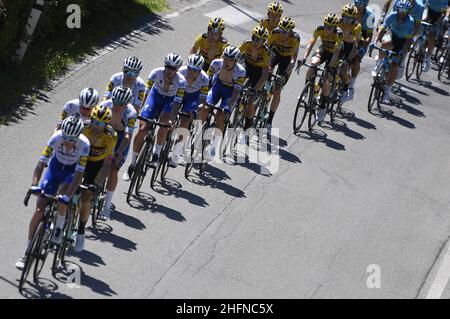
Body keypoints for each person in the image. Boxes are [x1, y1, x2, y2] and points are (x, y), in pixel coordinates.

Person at [16, 116, 89, 269]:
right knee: (39, 208)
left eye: (71, 139)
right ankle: (27, 250)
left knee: (62, 199)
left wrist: (67, 197)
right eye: (66, 138)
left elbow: (79, 176)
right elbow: (41, 164)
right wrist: (34, 185)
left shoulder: (84, 144)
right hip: (55, 169)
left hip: (71, 172)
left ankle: (58, 228)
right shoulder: (56, 137)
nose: (68, 142)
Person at [125, 53, 185, 178]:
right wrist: (140, 110)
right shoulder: (156, 73)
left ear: (177, 69)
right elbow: (146, 93)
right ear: (165, 65)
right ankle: (132, 163)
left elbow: (178, 102)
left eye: (173, 69)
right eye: (168, 67)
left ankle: (156, 154)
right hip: (155, 97)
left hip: (169, 102)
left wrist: (172, 119)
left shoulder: (181, 81)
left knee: (164, 125)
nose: (170, 70)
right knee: (142, 129)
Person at [75, 105, 117, 252]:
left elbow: (106, 165)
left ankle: (80, 231)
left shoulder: (111, 136)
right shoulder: (83, 127)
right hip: (81, 159)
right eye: (94, 121)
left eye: (100, 123)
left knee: (86, 197)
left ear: (106, 124)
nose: (96, 126)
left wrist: (96, 184)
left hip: (97, 165)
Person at [198, 46, 246, 161]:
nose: (227, 62)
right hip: (217, 87)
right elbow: (207, 82)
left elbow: (236, 92)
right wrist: (203, 99)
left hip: (230, 92)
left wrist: (229, 106)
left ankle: (215, 144)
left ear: (235, 61)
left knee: (221, 115)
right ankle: (198, 131)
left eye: (230, 60)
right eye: (225, 58)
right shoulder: (216, 63)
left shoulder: (240, 72)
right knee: (205, 108)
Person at [98, 86, 137, 220]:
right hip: (105, 134)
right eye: (115, 102)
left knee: (113, 170)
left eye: (121, 104)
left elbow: (127, 136)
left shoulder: (130, 113)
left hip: (121, 139)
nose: (117, 106)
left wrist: (119, 152)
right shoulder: (104, 106)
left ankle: (107, 206)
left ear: (127, 104)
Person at [298, 13, 343, 123]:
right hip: (324, 50)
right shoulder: (319, 29)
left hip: (335, 55)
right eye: (325, 26)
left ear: (334, 28)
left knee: (326, 77)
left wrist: (330, 67)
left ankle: (323, 106)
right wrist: (304, 58)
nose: (327, 29)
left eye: (330, 27)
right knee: (313, 64)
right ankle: (306, 91)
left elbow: (337, 52)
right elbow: (311, 44)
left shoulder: (339, 34)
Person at [371, 0, 414, 103]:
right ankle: (380, 63)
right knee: (385, 44)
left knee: (394, 65)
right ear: (397, 9)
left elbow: (408, 40)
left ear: (408, 11)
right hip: (392, 34)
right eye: (400, 9)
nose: (402, 12)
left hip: (403, 41)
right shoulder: (393, 15)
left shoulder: (410, 21)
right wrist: (375, 41)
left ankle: (387, 92)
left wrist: (403, 51)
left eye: (405, 10)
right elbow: (383, 29)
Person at [171, 54, 210, 167]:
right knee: (169, 116)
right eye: (190, 69)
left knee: (185, 120)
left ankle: (176, 153)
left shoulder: (204, 78)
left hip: (193, 97)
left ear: (200, 70)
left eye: (195, 70)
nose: (191, 72)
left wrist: (195, 111)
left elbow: (203, 100)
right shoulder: (181, 73)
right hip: (179, 92)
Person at [266, 17, 300, 131]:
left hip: (287, 59)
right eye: (281, 30)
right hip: (275, 54)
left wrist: (285, 74)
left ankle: (270, 119)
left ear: (290, 32)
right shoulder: (275, 32)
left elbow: (293, 59)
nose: (282, 34)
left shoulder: (295, 38)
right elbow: (266, 48)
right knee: (267, 70)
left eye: (285, 32)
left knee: (277, 89)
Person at [239, 25, 270, 137]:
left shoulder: (266, 52)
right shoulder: (246, 44)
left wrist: (256, 89)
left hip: (259, 72)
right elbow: (236, 57)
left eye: (260, 40)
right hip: (247, 66)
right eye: (255, 38)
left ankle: (248, 126)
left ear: (264, 41)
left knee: (251, 99)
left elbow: (265, 73)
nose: (256, 42)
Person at [381, 0, 425, 78]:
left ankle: (401, 62)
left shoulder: (420, 7)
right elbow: (392, 17)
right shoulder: (399, 2)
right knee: (386, 42)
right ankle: (380, 62)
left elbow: (417, 26)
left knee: (404, 49)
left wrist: (411, 38)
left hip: (409, 30)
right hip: (395, 27)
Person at [338, 4, 363, 103]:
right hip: (339, 45)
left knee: (344, 69)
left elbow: (356, 45)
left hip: (350, 47)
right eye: (345, 18)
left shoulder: (357, 26)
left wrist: (348, 60)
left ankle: (345, 89)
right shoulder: (338, 22)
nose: (347, 21)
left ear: (354, 18)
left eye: (350, 19)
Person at [352, 0, 376, 91]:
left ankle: (351, 85)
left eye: (360, 5)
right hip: (351, 33)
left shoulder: (370, 16)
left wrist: (363, 46)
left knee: (357, 59)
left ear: (365, 6)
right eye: (356, 4)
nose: (358, 7)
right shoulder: (350, 10)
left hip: (363, 34)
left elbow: (369, 36)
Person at [423, 0, 450, 71]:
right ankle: (419, 44)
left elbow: (444, 13)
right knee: (422, 24)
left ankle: (428, 58)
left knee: (431, 35)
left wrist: (438, 22)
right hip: (429, 10)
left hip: (439, 15)